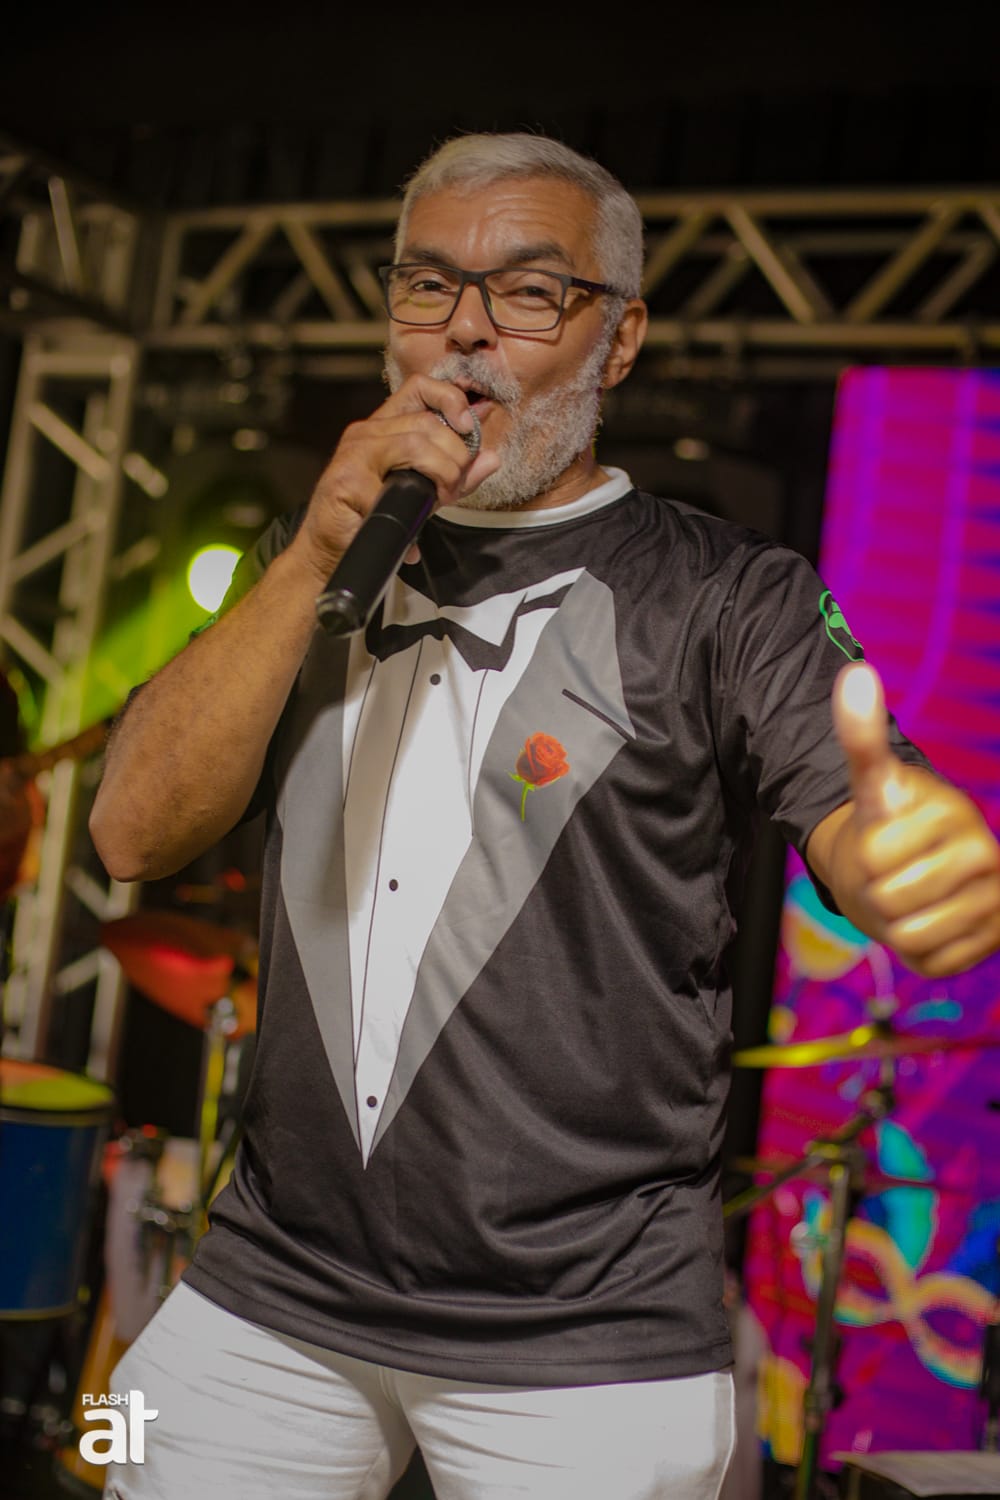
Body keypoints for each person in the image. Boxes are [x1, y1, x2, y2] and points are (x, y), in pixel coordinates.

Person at [89, 133, 1000, 1500]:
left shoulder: (725, 593)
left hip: (589, 1339)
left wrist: (908, 853)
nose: (465, 330)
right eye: (427, 286)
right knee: (122, 1453)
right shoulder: (316, 564)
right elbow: (128, 835)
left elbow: (860, 806)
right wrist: (314, 550)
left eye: (527, 293)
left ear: (617, 341)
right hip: (267, 1294)